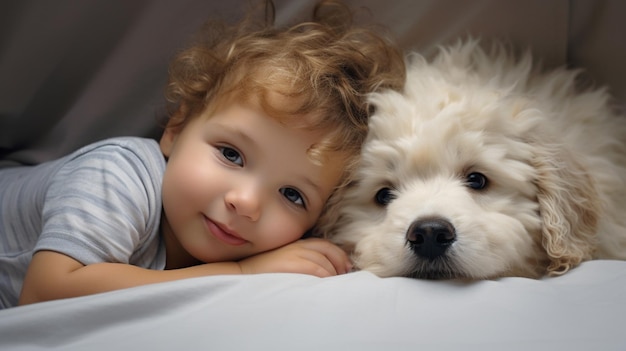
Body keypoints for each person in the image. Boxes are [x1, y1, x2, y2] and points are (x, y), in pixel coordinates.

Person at [0, 0, 405, 308]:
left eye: (292, 195)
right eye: (231, 154)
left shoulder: (248, 244)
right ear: (176, 129)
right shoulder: (115, 177)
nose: (245, 202)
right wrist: (238, 273)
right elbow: (45, 294)